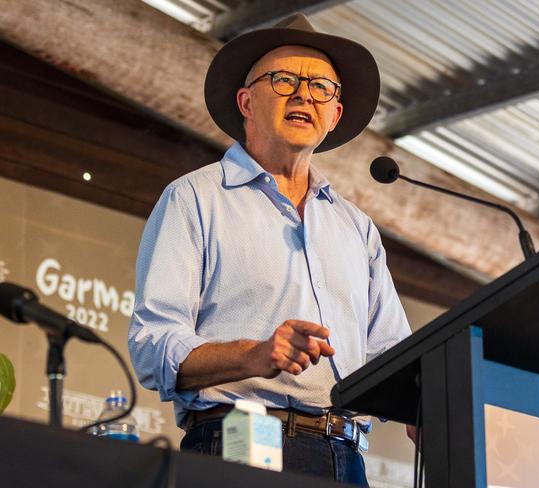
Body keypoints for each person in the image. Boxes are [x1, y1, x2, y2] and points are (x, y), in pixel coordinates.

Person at [128, 13, 411, 485]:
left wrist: (425, 403)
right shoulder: (195, 198)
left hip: (346, 458)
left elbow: (392, 354)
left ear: (334, 115)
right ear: (246, 101)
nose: (304, 94)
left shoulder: (356, 228)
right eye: (284, 80)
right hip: (241, 438)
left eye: (322, 88)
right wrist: (254, 354)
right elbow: (152, 344)